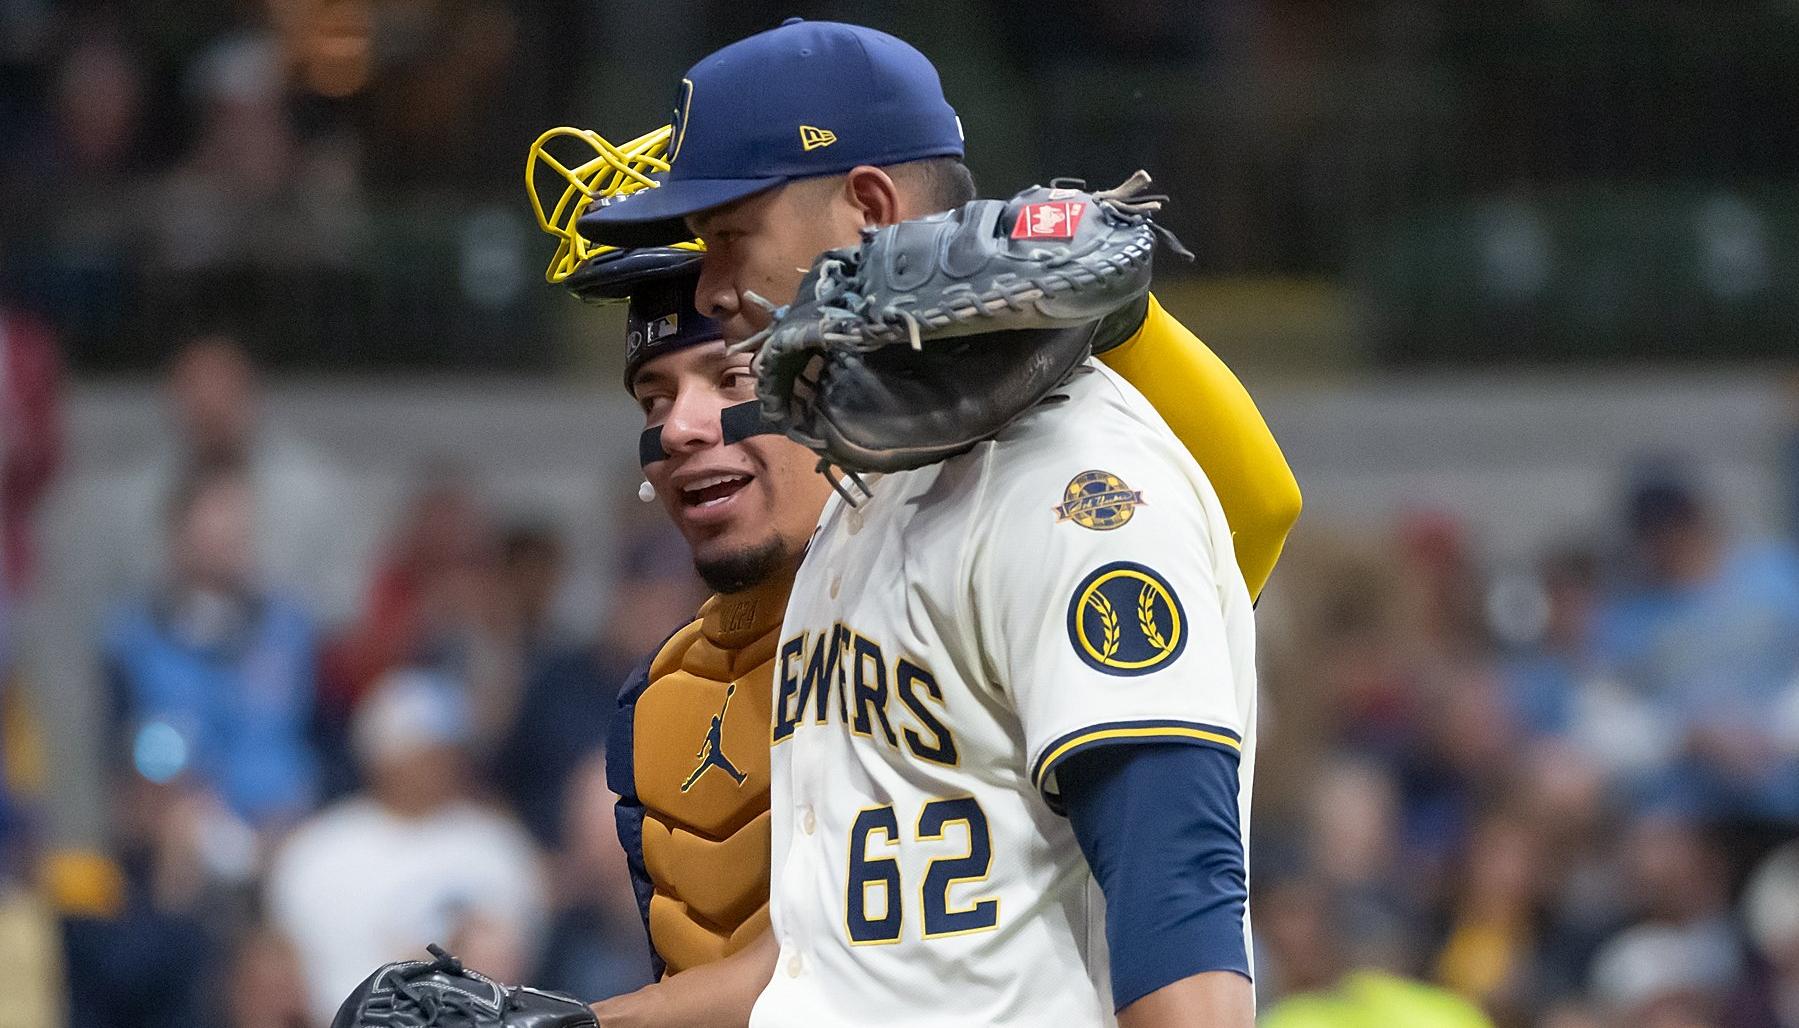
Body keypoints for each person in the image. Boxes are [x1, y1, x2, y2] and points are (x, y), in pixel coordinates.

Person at [577, 19, 1299, 1026]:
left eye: (728, 237)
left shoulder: (1077, 483)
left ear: (868, 208)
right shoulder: (865, 500)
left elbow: (1177, 905)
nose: (705, 286)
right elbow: (823, 967)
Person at [266, 669, 546, 1025]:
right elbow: (282, 970)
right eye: (418, 747)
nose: (434, 763)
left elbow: (517, 968)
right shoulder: (318, 848)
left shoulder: (497, 846)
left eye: (444, 748)